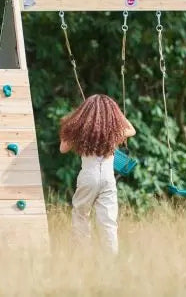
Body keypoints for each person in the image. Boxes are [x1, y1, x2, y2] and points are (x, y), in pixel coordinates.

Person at [59, 94, 136, 254]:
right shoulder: (113, 132)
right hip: (108, 178)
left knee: (81, 215)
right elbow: (131, 130)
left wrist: (74, 120)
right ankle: (111, 261)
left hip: (88, 176)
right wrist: (118, 114)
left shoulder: (81, 131)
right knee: (108, 221)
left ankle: (82, 255)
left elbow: (63, 149)